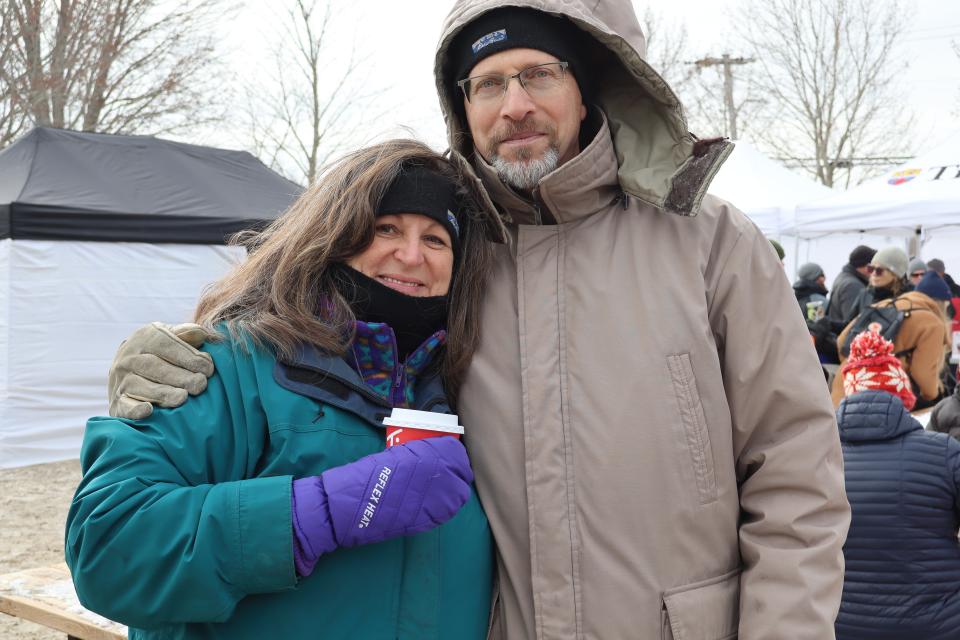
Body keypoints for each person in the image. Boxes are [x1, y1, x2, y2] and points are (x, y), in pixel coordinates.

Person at [104, 2, 851, 637]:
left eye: (537, 74)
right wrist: (169, 353)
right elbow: (307, 315)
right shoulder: (459, 259)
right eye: (488, 83)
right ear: (463, 105)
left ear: (586, 88)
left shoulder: (708, 241)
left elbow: (796, 476)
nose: (513, 104)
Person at [65, 141, 497, 638]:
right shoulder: (225, 365)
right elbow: (108, 551)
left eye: (437, 239)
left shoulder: (468, 388)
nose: (411, 254)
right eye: (386, 229)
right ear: (335, 236)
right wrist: (317, 512)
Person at [834, 329, 960, 640]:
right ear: (901, 394)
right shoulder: (944, 452)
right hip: (939, 625)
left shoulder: (814, 461)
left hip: (841, 626)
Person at [832, 285, 950, 409]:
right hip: (883, 392)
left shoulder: (883, 305)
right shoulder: (932, 323)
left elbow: (841, 341)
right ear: (942, 305)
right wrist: (933, 396)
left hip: (846, 382)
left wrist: (858, 362)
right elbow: (923, 373)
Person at [844, 246, 909, 325]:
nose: (873, 273)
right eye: (870, 268)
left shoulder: (908, 297)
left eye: (879, 270)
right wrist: (826, 321)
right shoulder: (865, 294)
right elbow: (848, 326)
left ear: (894, 274)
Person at [826, 245, 876, 328]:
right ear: (866, 266)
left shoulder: (844, 277)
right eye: (872, 267)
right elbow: (853, 323)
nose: (874, 272)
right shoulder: (853, 286)